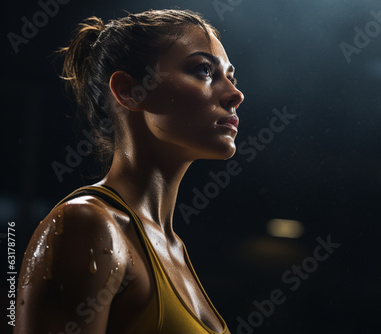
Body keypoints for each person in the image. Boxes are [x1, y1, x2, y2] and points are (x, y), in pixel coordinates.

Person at [15, 9, 244, 334]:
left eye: (231, 77)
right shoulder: (87, 225)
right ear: (127, 90)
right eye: (203, 70)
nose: (236, 94)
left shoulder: (173, 247)